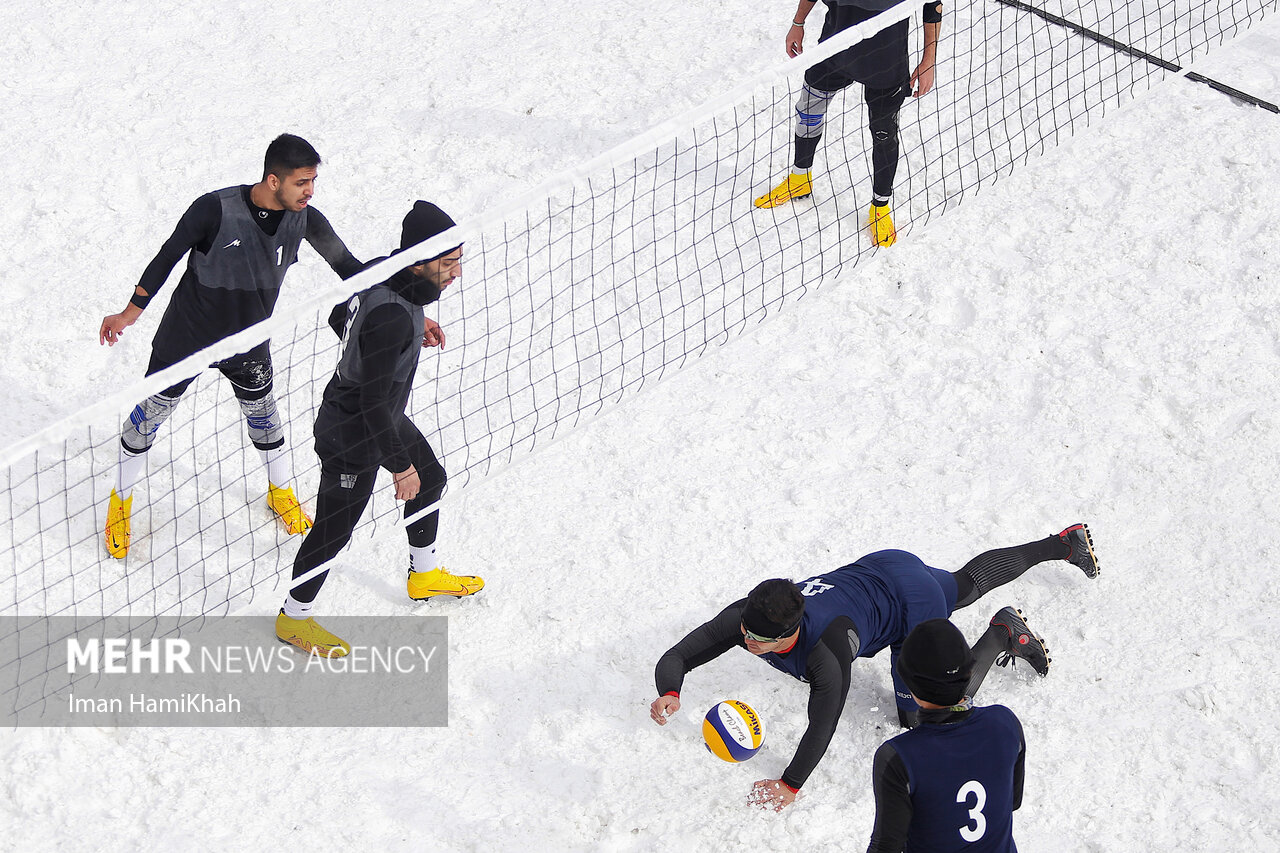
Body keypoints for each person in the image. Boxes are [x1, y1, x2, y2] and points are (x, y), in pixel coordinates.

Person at [649, 524, 1098, 810]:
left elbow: (822, 725)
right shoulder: (751, 616)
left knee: (924, 716)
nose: (747, 642)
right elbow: (679, 655)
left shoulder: (826, 655)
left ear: (790, 632)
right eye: (745, 632)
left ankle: (1001, 633)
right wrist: (670, 690)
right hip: (885, 566)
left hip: (910, 606)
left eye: (759, 641)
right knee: (963, 586)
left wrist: (790, 784)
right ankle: (1063, 543)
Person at [98, 133, 364, 559]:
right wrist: (130, 313)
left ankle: (279, 491)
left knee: (265, 420)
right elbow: (166, 256)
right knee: (148, 419)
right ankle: (121, 501)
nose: (310, 191)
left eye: (313, 181)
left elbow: (350, 267)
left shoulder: (306, 220)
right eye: (302, 182)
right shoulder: (214, 209)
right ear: (274, 180)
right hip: (187, 339)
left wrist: (405, 303)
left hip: (248, 345)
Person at [274, 201, 484, 657]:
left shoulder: (387, 274)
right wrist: (399, 466)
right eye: (448, 263)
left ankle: (423, 576)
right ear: (420, 261)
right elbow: (371, 403)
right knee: (333, 531)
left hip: (378, 414)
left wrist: (409, 327)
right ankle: (293, 618)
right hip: (353, 430)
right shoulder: (392, 316)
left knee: (433, 478)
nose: (457, 273)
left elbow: (341, 317)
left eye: (458, 261)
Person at [753, 0, 943, 247]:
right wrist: (798, 23)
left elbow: (933, 6)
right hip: (835, 49)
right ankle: (799, 179)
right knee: (808, 111)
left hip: (885, 61)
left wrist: (929, 61)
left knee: (884, 133)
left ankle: (880, 207)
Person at [865, 618, 1024, 852]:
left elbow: (886, 846)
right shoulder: (1005, 722)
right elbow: (1012, 801)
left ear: (911, 687)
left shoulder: (900, 757)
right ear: (969, 671)